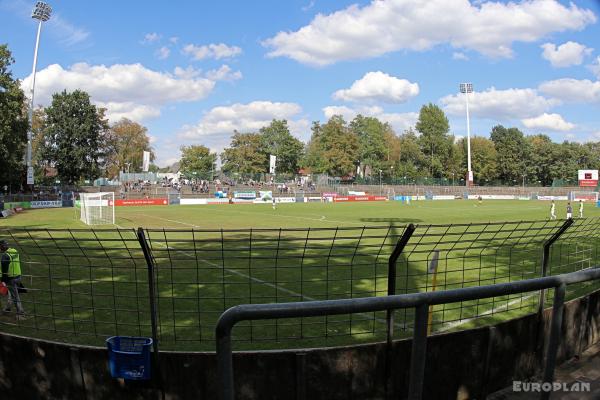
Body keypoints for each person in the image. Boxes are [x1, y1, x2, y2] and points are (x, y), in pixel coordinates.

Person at [0, 239, 26, 319]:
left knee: (15, 296)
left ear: (2, 246)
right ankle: (8, 308)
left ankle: (20, 313)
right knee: (11, 294)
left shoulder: (5, 256)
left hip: (10, 279)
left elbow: (4, 271)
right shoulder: (14, 251)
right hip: (18, 276)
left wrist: (3, 281)